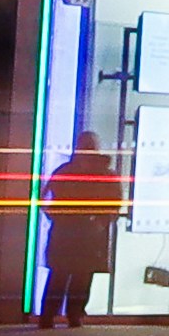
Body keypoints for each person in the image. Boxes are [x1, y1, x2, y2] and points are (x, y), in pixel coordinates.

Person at [38, 123, 128, 322]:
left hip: (71, 231)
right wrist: (102, 221)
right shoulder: (105, 174)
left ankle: (53, 315)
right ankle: (72, 314)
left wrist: (56, 216)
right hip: (84, 232)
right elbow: (115, 202)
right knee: (78, 276)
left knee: (65, 275)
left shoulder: (65, 171)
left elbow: (45, 196)